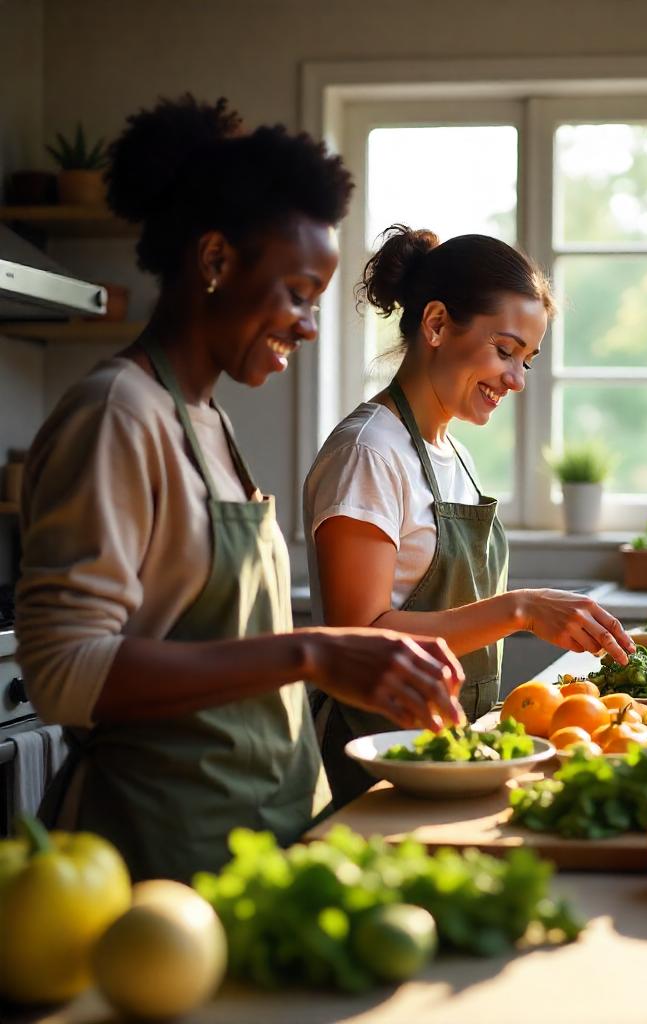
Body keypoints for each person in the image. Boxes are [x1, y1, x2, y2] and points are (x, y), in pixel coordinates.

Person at [14, 98, 464, 882]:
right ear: (216, 261)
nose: (309, 326)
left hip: (260, 830)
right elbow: (65, 673)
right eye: (296, 292)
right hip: (163, 852)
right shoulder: (119, 414)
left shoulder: (206, 419)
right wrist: (312, 650)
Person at [304, 225, 635, 803]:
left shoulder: (451, 450)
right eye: (505, 351)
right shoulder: (369, 452)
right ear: (435, 325)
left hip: (448, 750)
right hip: (377, 760)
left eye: (527, 359)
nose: (517, 379)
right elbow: (360, 635)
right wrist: (523, 608)